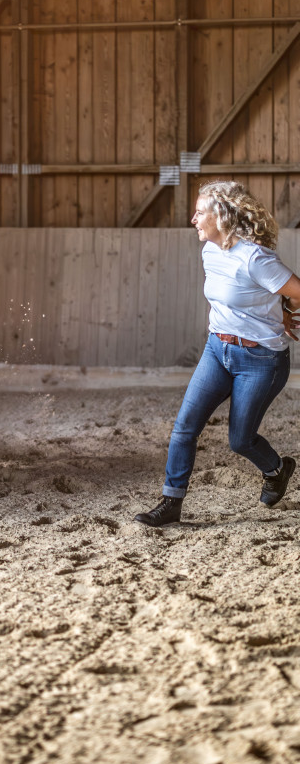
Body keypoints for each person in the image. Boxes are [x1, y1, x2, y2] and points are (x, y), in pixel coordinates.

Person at [135, 181, 300, 527]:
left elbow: (295, 290)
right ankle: (171, 502)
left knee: (240, 440)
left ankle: (277, 469)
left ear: (222, 216)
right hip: (217, 350)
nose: (193, 218)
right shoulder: (210, 250)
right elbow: (237, 297)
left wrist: (288, 310)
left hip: (261, 361)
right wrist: (275, 307)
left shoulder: (256, 257)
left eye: (200, 212)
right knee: (184, 428)